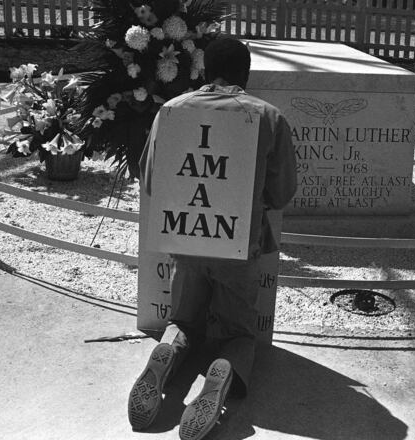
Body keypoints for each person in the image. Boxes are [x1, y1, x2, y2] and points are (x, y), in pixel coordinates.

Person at [130, 38, 297, 440]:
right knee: (238, 331)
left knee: (184, 317)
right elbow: (281, 193)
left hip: (186, 239)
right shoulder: (267, 117)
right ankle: (225, 367)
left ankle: (169, 348)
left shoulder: (171, 110)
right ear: (247, 73)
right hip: (238, 244)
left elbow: (150, 177)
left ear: (204, 71)